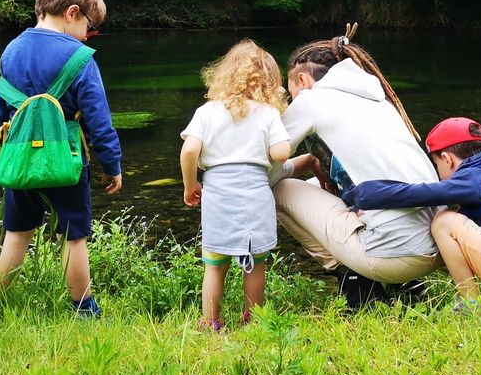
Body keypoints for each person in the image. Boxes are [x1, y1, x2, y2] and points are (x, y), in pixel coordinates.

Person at [275, 32, 440, 306]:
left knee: (279, 189)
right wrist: (316, 163)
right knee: (316, 187)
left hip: (390, 256)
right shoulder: (376, 99)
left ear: (302, 80)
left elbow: (264, 171)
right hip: (432, 246)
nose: (292, 98)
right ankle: (409, 287)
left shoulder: (312, 100)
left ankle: (355, 283)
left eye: (290, 89)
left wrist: (299, 163)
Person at [0, 0, 123, 318]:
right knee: (74, 235)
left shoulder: (11, 50)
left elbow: (2, 106)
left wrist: (12, 147)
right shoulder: (81, 59)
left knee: (17, 232)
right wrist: (112, 165)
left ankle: (1, 301)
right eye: (89, 26)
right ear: (72, 13)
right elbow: (99, 120)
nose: (88, 35)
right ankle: (83, 308)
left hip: (22, 157)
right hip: (66, 159)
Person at [346, 117, 481, 307]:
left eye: (436, 164)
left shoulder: (473, 179)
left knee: (443, 221)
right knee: (458, 216)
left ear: (447, 159)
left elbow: (415, 194)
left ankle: (469, 305)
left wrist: (356, 195)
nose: (438, 172)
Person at [180, 40, 292, 331]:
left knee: (215, 265)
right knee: (255, 264)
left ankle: (210, 321)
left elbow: (190, 150)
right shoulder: (267, 114)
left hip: (217, 195)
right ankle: (253, 320)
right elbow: (281, 153)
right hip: (254, 194)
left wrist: (189, 185)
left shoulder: (207, 112)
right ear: (270, 83)